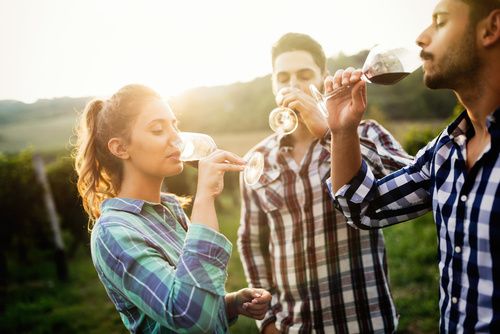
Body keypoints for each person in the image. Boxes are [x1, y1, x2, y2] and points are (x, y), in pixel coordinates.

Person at [325, 0, 500, 332]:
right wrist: (343, 131)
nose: (421, 37)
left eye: (440, 21)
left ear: (491, 28)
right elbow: (365, 207)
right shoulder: (445, 153)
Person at [237, 33, 413, 333]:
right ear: (273, 84)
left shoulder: (365, 133)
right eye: (283, 77)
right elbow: (251, 241)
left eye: (304, 75)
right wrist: (267, 322)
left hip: (362, 322)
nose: (292, 85)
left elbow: (416, 181)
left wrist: (329, 132)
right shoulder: (257, 159)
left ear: (324, 79)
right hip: (293, 326)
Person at [73, 84, 271, 333]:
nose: (176, 138)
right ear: (120, 148)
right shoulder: (113, 231)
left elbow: (192, 292)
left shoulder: (170, 209)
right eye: (158, 129)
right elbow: (189, 316)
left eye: (174, 125)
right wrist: (205, 196)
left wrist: (230, 303)